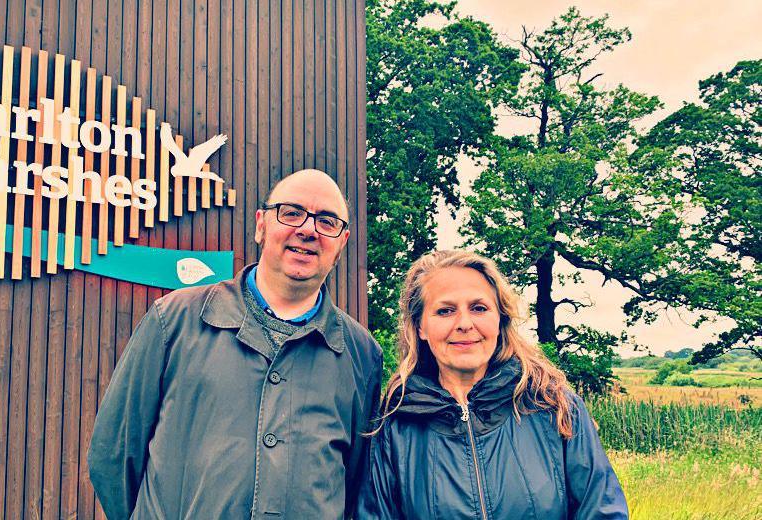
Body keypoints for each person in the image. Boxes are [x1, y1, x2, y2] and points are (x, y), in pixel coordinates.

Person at [88, 169, 383, 519]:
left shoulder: (361, 355)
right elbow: (114, 457)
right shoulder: (175, 320)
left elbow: (356, 483)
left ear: (341, 243)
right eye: (291, 213)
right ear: (261, 225)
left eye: (327, 221)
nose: (307, 230)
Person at [357, 250, 628, 519]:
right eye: (445, 311)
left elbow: (603, 512)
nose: (464, 323)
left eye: (478, 308)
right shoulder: (394, 427)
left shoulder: (554, 405)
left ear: (500, 319)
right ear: (420, 327)